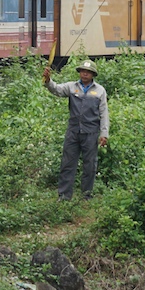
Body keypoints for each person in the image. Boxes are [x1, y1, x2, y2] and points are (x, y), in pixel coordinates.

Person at [43, 59, 109, 201]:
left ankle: (86, 196)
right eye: (82, 71)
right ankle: (64, 196)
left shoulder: (100, 91)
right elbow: (57, 89)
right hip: (73, 132)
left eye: (88, 72)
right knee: (67, 164)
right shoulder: (72, 87)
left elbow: (104, 114)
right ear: (79, 73)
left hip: (91, 133)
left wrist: (104, 134)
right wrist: (48, 80)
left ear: (93, 74)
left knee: (90, 165)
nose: (84, 74)